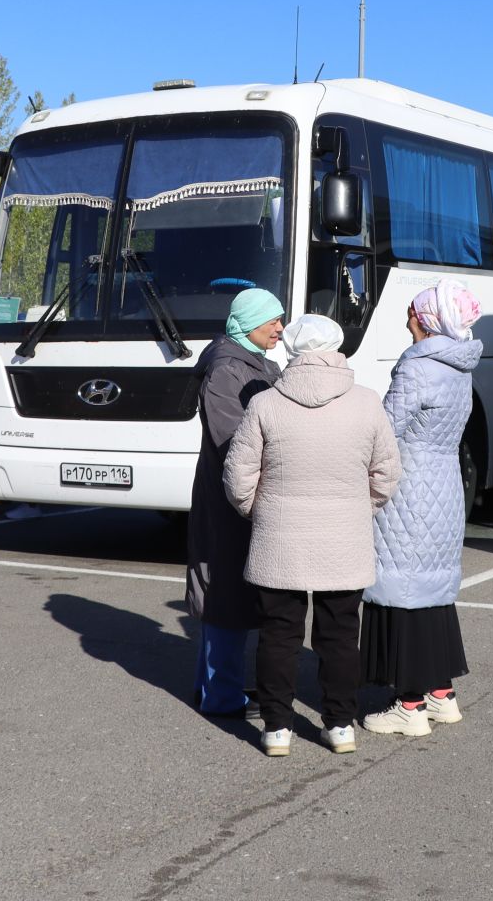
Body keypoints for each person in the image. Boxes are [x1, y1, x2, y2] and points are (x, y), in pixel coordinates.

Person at [225, 314, 401, 758]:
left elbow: (238, 474)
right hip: (344, 538)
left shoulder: (266, 403)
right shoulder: (366, 402)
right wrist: (362, 507)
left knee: (279, 634)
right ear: (337, 347)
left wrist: (257, 511)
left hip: (279, 538)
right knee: (340, 635)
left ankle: (277, 729)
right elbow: (386, 473)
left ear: (293, 351)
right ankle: (340, 725)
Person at [362, 279, 483, 737]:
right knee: (432, 590)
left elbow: (385, 428)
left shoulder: (417, 369)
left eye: (413, 312)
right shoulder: (460, 368)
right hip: (445, 484)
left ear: (428, 321)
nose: (407, 319)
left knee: (402, 591)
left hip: (409, 486)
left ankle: (408, 704)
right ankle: (440, 693)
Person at [187, 287, 285, 717]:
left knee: (236, 590)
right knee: (225, 591)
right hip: (230, 496)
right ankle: (221, 696)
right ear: (247, 324)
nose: (280, 327)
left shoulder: (255, 361)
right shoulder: (227, 369)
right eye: (272, 320)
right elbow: (233, 442)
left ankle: (216, 689)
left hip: (245, 491)